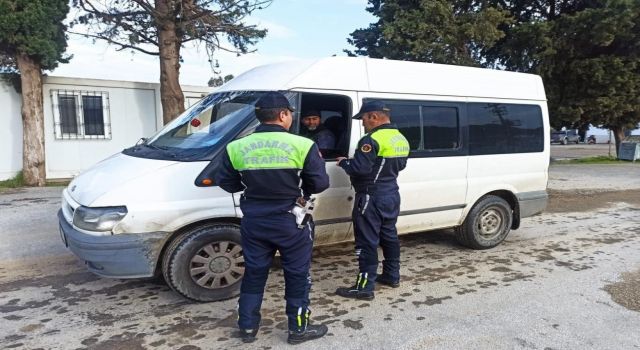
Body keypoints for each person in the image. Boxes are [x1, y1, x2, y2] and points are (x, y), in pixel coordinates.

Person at [215, 92, 330, 344]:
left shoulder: (235, 147)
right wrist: (302, 188)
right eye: (290, 113)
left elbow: (226, 182)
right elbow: (320, 183)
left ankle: (247, 328)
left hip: (254, 220)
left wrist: (250, 187)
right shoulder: (303, 145)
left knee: (254, 274)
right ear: (282, 115)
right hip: (292, 221)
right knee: (297, 274)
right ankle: (298, 329)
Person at [334, 101, 410, 300]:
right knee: (389, 236)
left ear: (374, 117)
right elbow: (400, 166)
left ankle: (364, 287)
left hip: (370, 196)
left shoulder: (371, 139)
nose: (362, 124)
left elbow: (359, 168)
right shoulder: (400, 138)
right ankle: (392, 275)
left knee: (366, 241)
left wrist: (344, 162)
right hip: (391, 193)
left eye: (363, 119)